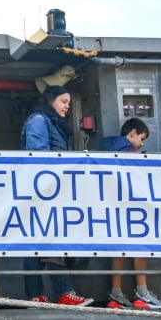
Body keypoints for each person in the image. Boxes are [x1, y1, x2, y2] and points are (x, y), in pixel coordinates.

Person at [19, 86, 94, 306]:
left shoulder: (51, 123)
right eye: (63, 101)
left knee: (49, 242)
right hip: (45, 192)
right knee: (41, 242)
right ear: (50, 100)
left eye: (69, 102)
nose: (67, 106)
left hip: (53, 192)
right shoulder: (40, 121)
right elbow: (37, 156)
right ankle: (46, 294)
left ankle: (45, 294)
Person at [101, 118, 161, 309]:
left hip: (110, 206)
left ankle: (115, 293)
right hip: (131, 207)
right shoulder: (130, 153)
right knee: (139, 246)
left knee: (118, 250)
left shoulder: (103, 150)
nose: (142, 144)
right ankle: (142, 293)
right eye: (142, 138)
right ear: (133, 133)